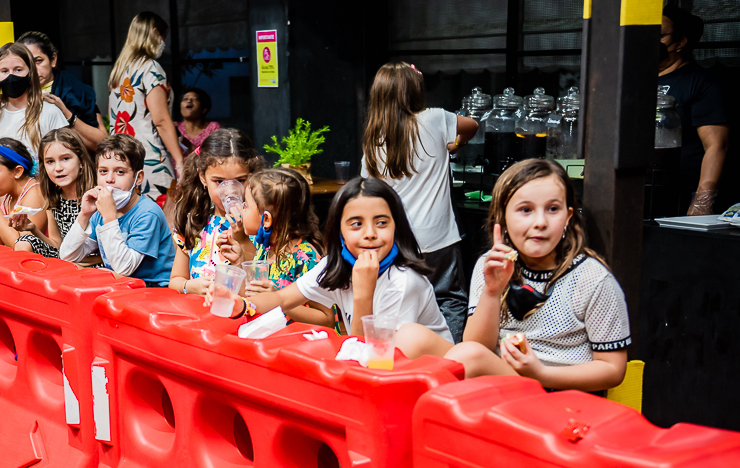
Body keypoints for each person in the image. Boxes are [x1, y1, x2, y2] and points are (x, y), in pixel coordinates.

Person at [394, 159, 630, 392]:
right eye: (526, 210)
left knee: (469, 357)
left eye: (553, 209)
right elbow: (478, 344)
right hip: (500, 377)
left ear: (568, 217)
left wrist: (541, 373)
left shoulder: (593, 278)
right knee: (410, 337)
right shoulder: (491, 263)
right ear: (503, 218)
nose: (540, 222)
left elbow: (613, 369)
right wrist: (492, 291)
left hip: (556, 392)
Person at [210, 177, 452, 342]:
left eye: (381, 222)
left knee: (410, 337)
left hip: (430, 377)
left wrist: (363, 292)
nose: (370, 233)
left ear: (397, 227)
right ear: (340, 231)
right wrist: (240, 305)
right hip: (385, 373)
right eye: (356, 224)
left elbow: (368, 354)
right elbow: (283, 298)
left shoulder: (402, 282)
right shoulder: (336, 266)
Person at [361, 62, 478, 342]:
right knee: (448, 299)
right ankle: (450, 359)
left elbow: (368, 192)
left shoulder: (372, 140)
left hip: (398, 241)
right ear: (413, 89)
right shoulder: (436, 119)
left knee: (407, 302)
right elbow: (473, 125)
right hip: (438, 239)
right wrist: (455, 144)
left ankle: (411, 356)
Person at [223, 168, 334, 328]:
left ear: (266, 219)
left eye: (246, 205)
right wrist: (237, 262)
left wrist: (277, 299)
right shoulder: (265, 248)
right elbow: (252, 301)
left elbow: (327, 319)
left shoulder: (306, 258)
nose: (241, 209)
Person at [60, 133, 175, 287]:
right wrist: (84, 215)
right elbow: (67, 256)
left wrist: (109, 217)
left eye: (120, 172)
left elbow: (124, 268)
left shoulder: (148, 213)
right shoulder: (99, 212)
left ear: (138, 178)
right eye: (103, 171)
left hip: (154, 289)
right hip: (122, 286)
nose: (109, 179)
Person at [167, 128, 260, 295]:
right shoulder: (194, 222)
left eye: (240, 180)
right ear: (203, 177)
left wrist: (242, 238)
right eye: (219, 181)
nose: (230, 190)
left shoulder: (259, 224)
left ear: (251, 176)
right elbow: (175, 281)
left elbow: (258, 284)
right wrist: (190, 286)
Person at [659, 6, 729, 216]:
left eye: (659, 35)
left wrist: (702, 200)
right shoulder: (634, 81)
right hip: (639, 190)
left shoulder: (700, 82)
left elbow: (717, 145)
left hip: (679, 194)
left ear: (680, 42)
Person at [107, 12, 184, 201]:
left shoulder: (119, 71)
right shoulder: (150, 68)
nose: (163, 44)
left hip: (120, 159)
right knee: (160, 222)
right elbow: (161, 120)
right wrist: (179, 160)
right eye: (163, 38)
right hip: (150, 160)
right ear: (156, 33)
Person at [13, 127, 98, 258]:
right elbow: (57, 245)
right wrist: (33, 229)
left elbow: (106, 252)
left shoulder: (95, 196)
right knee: (23, 242)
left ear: (81, 161)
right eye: (50, 161)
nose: (58, 168)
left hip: (95, 266)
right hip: (67, 259)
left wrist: (77, 265)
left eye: (65, 159)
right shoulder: (53, 197)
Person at [18, 31, 107, 150]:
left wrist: (66, 113)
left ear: (53, 59)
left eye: (38, 61)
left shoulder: (75, 91)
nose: (33, 69)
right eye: (26, 63)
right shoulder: (16, 94)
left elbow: (101, 143)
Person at [0, 42, 68, 157]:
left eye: (18, 70)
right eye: (4, 71)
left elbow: (64, 156)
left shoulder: (50, 112)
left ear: (30, 72)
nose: (11, 75)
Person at [175, 87, 221, 153]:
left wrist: (188, 145)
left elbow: (216, 155)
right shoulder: (174, 127)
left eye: (195, 99)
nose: (189, 101)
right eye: (185, 99)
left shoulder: (213, 128)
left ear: (204, 109)